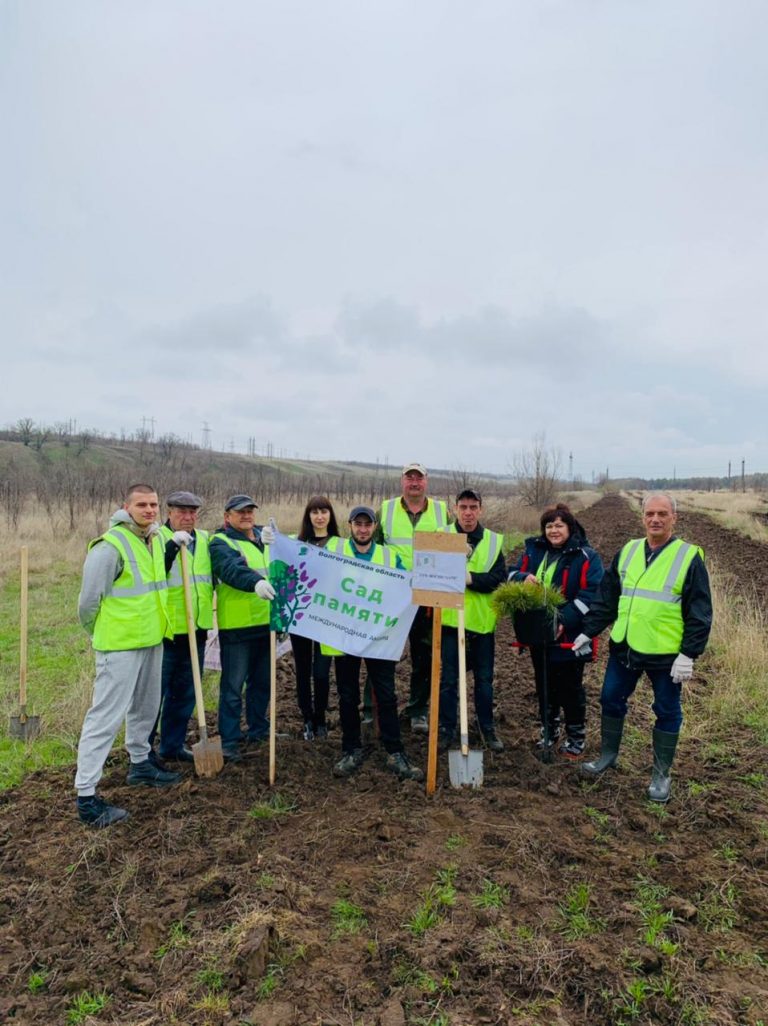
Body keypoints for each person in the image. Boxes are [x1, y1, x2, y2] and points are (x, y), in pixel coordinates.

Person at [573, 493, 712, 802]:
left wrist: (689, 653)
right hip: (625, 647)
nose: (655, 519)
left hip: (665, 653)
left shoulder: (688, 557)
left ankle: (661, 775)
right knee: (610, 698)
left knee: (666, 710)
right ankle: (608, 755)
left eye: (663, 513)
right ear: (643, 517)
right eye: (650, 513)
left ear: (674, 518)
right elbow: (608, 598)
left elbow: (700, 611)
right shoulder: (628, 551)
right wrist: (588, 631)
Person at [75, 483, 180, 828]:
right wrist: (100, 632)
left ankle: (141, 764)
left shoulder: (155, 538)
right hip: (119, 646)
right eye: (142, 505)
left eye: (153, 504)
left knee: (146, 709)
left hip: (151, 640)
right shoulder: (111, 545)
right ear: (126, 506)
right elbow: (89, 602)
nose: (149, 510)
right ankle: (87, 796)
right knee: (105, 716)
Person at [326, 506, 424, 782]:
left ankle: (395, 751)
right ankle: (351, 749)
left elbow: (407, 584)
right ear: (350, 526)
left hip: (379, 636)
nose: (363, 529)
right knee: (347, 695)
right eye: (358, 524)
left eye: (367, 525)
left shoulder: (388, 555)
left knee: (387, 694)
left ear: (374, 528)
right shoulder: (336, 551)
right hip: (345, 633)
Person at [507, 503, 604, 758]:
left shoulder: (586, 556)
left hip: (571, 636)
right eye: (549, 526)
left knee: (570, 687)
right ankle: (549, 731)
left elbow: (591, 592)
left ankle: (576, 737)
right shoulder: (533, 550)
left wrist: (563, 619)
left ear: (569, 528)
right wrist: (522, 577)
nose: (553, 530)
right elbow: (510, 573)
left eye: (559, 525)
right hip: (538, 634)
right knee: (544, 684)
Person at [261, 496, 340, 740]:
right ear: (308, 516)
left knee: (322, 672)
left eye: (324, 511)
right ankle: (307, 718)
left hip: (328, 617)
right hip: (302, 616)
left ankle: (321, 718)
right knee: (303, 670)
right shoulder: (296, 543)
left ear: (330, 515)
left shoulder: (339, 545)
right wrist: (268, 545)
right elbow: (279, 568)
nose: (319, 516)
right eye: (314, 512)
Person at [378, 463, 450, 733]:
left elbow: (454, 548)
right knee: (379, 652)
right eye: (410, 478)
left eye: (419, 478)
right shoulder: (385, 510)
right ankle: (372, 711)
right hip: (392, 597)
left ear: (426, 482)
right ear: (402, 482)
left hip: (427, 597)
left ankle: (418, 709)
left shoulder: (443, 512)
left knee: (425, 656)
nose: (414, 482)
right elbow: (368, 547)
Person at [439, 489, 507, 753]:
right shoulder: (442, 537)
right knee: (448, 682)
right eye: (463, 507)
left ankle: (486, 728)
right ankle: (446, 729)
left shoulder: (492, 542)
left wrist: (471, 579)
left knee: (484, 681)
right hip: (449, 624)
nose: (468, 512)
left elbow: (498, 579)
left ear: (480, 510)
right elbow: (431, 574)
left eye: (473, 507)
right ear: (456, 508)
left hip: (481, 625)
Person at [209, 495, 276, 763]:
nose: (246, 516)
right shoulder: (221, 542)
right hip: (237, 628)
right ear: (228, 516)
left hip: (266, 623)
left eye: (250, 511)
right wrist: (256, 583)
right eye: (240, 512)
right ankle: (229, 740)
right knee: (233, 687)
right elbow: (231, 569)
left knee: (262, 684)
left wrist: (280, 541)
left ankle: (259, 729)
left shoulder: (265, 538)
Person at [150, 490, 213, 763]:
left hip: (196, 632)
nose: (188, 517)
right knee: (154, 697)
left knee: (185, 694)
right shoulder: (156, 539)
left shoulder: (205, 539)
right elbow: (153, 573)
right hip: (166, 633)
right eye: (181, 512)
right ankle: (142, 754)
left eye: (192, 512)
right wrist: (171, 548)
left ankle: (172, 746)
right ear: (170, 512)